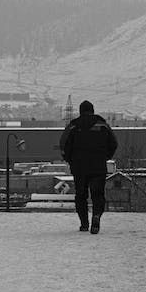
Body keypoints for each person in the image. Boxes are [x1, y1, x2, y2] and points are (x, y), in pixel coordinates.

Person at [59, 100, 118, 234]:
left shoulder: (73, 126)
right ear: (92, 110)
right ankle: (96, 216)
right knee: (98, 194)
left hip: (79, 167)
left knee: (81, 195)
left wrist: (70, 159)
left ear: (80, 111)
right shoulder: (102, 124)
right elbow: (114, 143)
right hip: (98, 166)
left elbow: (63, 144)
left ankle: (84, 224)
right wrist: (105, 156)